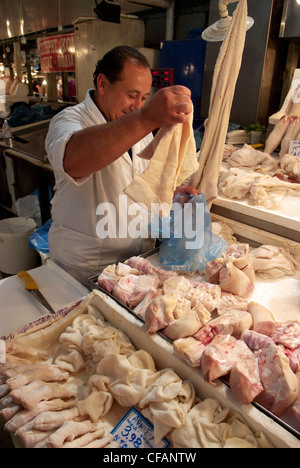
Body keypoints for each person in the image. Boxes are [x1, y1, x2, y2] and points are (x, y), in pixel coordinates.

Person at [45, 45, 198, 286]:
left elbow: (139, 179)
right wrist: (147, 116)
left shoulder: (139, 127)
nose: (137, 105)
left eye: (144, 98)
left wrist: (171, 193)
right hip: (84, 270)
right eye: (131, 95)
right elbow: (73, 160)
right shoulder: (69, 120)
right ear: (103, 84)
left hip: (135, 264)